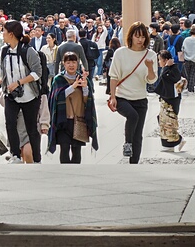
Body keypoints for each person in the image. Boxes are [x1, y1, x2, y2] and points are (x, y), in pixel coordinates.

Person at [0, 20, 43, 164]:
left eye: (4, 31)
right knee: (10, 123)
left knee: (31, 128)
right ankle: (15, 155)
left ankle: (37, 159)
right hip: (11, 96)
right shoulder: (4, 51)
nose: (2, 35)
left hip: (30, 96)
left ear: (11, 34)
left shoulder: (28, 51)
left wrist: (19, 83)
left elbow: (37, 73)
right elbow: (3, 71)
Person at [107, 21, 158, 164]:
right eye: (137, 36)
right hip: (122, 97)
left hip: (141, 98)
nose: (140, 40)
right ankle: (127, 143)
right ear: (131, 37)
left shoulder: (150, 55)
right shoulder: (120, 53)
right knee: (132, 116)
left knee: (138, 135)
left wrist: (149, 68)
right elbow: (114, 76)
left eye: (143, 37)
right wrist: (112, 96)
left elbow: (152, 81)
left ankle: (134, 163)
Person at [48, 51, 97, 164]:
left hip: (78, 121)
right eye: (68, 62)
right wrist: (73, 87)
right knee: (64, 150)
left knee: (77, 151)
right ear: (63, 64)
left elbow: (87, 101)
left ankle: (75, 176)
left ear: (78, 63)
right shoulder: (58, 80)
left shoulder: (83, 79)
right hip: (63, 122)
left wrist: (84, 88)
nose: (71, 65)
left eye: (74, 62)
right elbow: (56, 98)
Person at [154, 50, 187, 151]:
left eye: (160, 60)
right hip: (166, 97)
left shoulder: (174, 69)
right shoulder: (167, 69)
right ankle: (169, 145)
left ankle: (178, 140)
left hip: (172, 99)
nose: (159, 62)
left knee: (169, 122)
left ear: (166, 60)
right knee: (163, 121)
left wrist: (167, 67)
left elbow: (167, 77)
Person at [181, 24, 195, 93]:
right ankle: (190, 88)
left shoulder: (186, 39)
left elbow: (183, 48)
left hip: (187, 58)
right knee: (192, 74)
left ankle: (188, 88)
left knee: (187, 74)